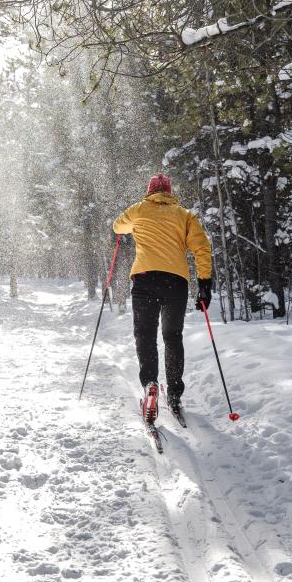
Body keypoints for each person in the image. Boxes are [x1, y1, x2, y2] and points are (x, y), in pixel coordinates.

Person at [113, 173, 212, 423]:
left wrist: (135, 224)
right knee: (172, 337)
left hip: (145, 280)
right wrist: (205, 282)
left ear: (149, 191)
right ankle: (175, 394)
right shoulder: (184, 215)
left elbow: (117, 226)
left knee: (145, 335)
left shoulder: (138, 210)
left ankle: (149, 385)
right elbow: (201, 247)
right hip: (176, 283)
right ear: (169, 192)